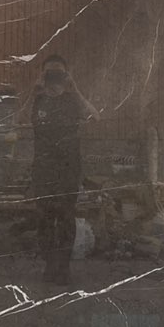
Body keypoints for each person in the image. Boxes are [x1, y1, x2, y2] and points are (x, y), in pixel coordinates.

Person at [30, 55, 99, 284]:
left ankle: (64, 268)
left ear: (66, 75)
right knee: (44, 218)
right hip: (43, 169)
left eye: (58, 72)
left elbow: (95, 117)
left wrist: (75, 88)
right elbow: (17, 121)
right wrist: (34, 91)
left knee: (66, 217)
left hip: (68, 168)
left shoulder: (72, 100)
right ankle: (49, 266)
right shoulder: (38, 99)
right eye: (49, 72)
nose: (54, 77)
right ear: (43, 74)